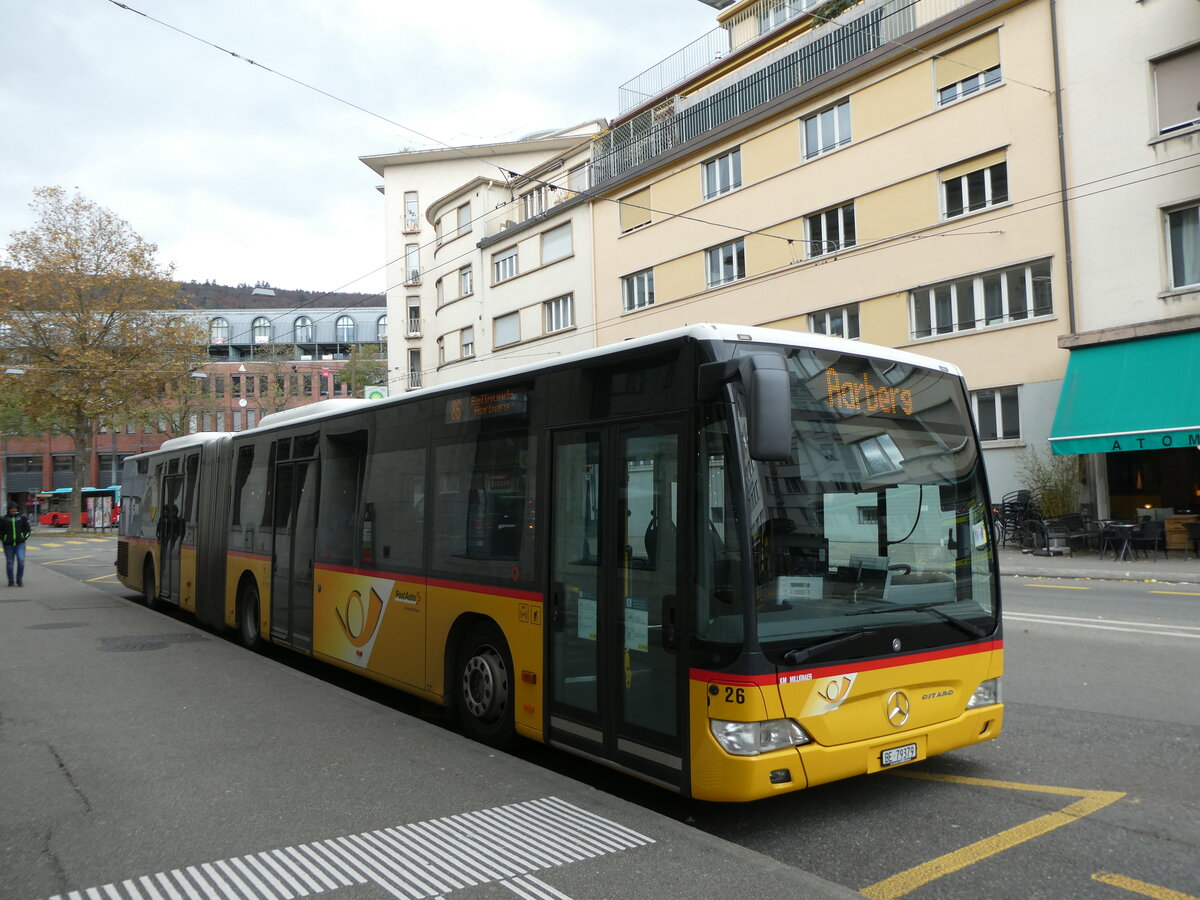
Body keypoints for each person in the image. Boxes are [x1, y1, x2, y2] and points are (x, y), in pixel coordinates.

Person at [2, 503, 31, 587]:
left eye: (15, 508)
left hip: (20, 544)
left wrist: (23, 537)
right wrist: (4, 538)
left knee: (21, 561)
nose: (13, 510)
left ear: (17, 509)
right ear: (9, 509)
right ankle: (11, 581)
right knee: (10, 563)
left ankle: (19, 580)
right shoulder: (3, 519)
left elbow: (28, 530)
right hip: (8, 545)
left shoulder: (22, 518)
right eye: (12, 508)